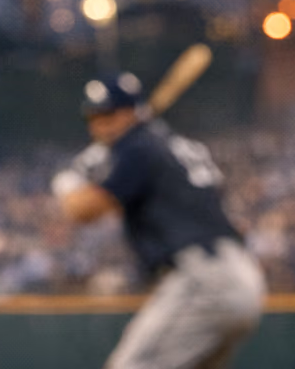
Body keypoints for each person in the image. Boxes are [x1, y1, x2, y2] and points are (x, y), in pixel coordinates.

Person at [52, 73, 265, 369]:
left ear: (130, 113)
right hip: (240, 277)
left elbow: (83, 211)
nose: (98, 125)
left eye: (108, 114)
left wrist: (68, 181)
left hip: (202, 282)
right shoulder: (168, 145)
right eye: (93, 117)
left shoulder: (139, 147)